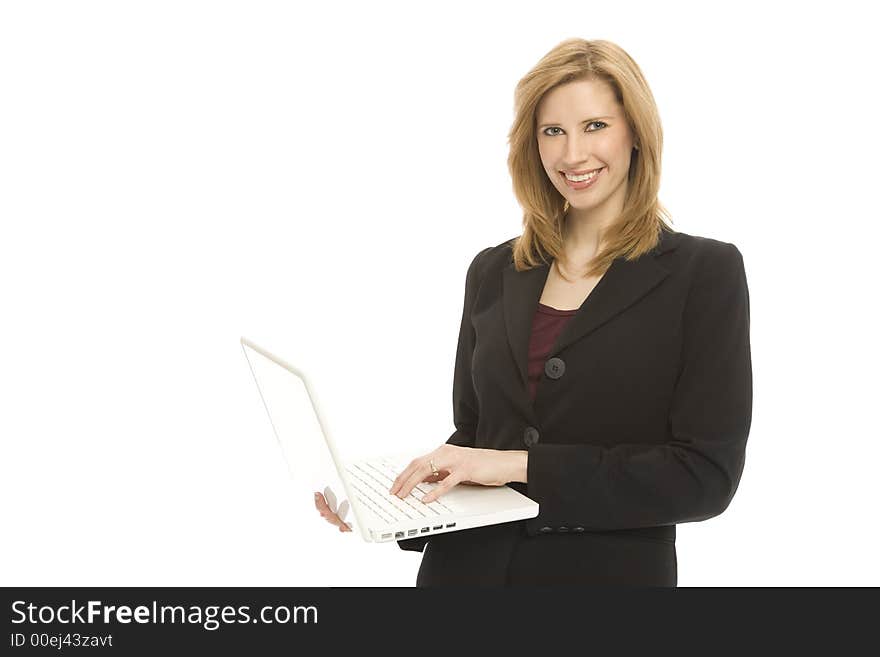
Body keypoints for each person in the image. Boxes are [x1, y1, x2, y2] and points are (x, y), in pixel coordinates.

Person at [315, 37, 752, 587]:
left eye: (595, 126)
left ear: (636, 133)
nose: (572, 155)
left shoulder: (703, 273)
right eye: (553, 131)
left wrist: (518, 467)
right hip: (462, 583)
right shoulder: (493, 271)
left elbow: (704, 477)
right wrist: (385, 508)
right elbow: (474, 441)